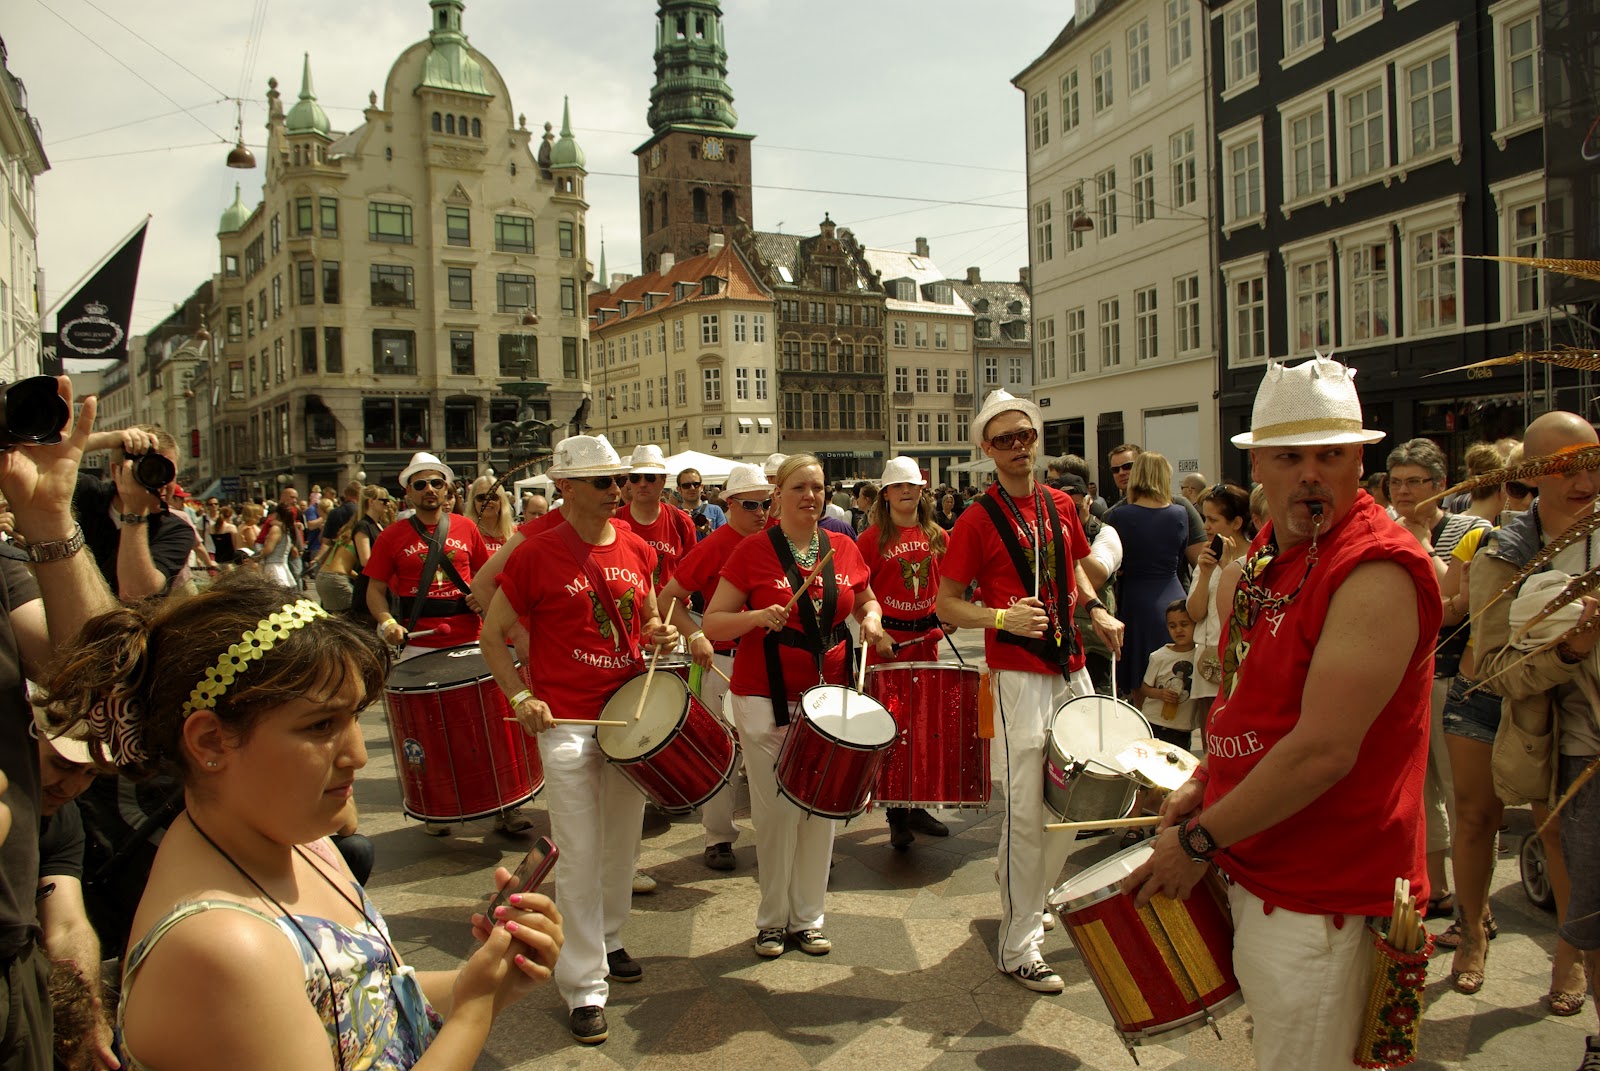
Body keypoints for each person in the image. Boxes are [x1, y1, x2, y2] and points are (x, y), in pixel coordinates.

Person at [43, 572, 564, 1070]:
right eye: (321, 725)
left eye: (356, 717)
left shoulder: (301, 841)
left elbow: (368, 1006)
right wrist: (472, 1012)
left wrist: (486, 984)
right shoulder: (223, 947)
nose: (359, 755)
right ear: (208, 741)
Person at [1126, 354, 1438, 1071]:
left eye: (1332, 456)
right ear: (1257, 464)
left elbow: (1324, 750)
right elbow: (1252, 700)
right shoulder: (1275, 550)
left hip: (1321, 886)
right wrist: (1206, 778)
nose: (1311, 474)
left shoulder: (1374, 569)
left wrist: (1198, 842)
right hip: (1263, 859)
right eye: (1290, 456)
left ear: (1361, 465)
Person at [479, 435, 677, 1045]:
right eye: (602, 482)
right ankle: (584, 986)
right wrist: (521, 696)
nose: (616, 492)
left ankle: (610, 936)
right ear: (565, 488)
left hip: (628, 717)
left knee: (622, 845)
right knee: (581, 851)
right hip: (566, 722)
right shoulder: (536, 552)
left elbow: (645, 618)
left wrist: (658, 637)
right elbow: (492, 634)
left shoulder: (638, 548)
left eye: (617, 481)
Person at [936, 390, 1123, 993]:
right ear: (986, 449)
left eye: (1026, 436)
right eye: (1004, 439)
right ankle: (1018, 945)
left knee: (1074, 804)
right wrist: (999, 619)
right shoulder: (974, 519)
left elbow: (1071, 570)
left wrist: (1095, 610)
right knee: (1025, 811)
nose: (1019, 447)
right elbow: (946, 604)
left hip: (1069, 664)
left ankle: (1026, 894)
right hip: (1016, 674)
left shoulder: (1060, 503)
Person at [703, 453, 886, 960]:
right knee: (777, 810)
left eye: (818, 487)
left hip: (828, 697)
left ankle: (808, 918)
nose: (811, 495)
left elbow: (866, 598)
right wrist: (758, 616)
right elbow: (714, 624)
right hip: (764, 695)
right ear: (777, 494)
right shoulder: (753, 552)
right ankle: (771, 920)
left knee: (820, 810)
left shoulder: (843, 548)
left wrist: (871, 618)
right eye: (800, 487)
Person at [1470, 411, 1599, 1052]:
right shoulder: (1503, 555)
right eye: (1566, 468)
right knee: (1582, 879)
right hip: (1569, 742)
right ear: (1532, 476)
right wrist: (1568, 651)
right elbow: (1490, 672)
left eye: (1593, 463)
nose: (1585, 479)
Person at [1387, 437, 1491, 920]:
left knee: (1463, 798)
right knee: (1417, 794)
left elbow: (1458, 611)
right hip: (1403, 678)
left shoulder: (1473, 530)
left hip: (1455, 679)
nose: (1404, 492)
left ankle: (1477, 909)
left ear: (1441, 486)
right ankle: (1437, 891)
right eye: (1397, 483)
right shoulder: (1383, 528)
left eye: (1415, 483)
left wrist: (1420, 549)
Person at [658, 463, 772, 871]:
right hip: (724, 659)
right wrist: (695, 636)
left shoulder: (779, 541)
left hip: (771, 664)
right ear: (730, 504)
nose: (762, 512)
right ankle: (718, 836)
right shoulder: (713, 545)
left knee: (773, 752)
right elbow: (668, 599)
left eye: (767, 503)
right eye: (752, 504)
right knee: (723, 752)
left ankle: (777, 835)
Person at [856, 456, 950, 849]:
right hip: (887, 645)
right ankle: (896, 813)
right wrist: (877, 635)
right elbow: (858, 596)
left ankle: (919, 804)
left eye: (912, 485)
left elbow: (950, 587)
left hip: (926, 642)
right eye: (899, 486)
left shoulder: (938, 536)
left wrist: (948, 614)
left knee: (925, 728)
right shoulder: (871, 539)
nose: (907, 491)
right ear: (886, 494)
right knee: (893, 730)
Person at [30, 708, 114, 1067]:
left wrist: (88, 1013)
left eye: (90, 773)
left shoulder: (64, 820)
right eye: (63, 765)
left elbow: (67, 925)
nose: (73, 787)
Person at [366, 454, 488, 658]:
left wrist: (482, 596)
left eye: (436, 483)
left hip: (471, 638)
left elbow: (486, 575)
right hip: (417, 642)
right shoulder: (390, 536)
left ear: (445, 488)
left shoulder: (467, 527)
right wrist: (387, 623)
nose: (429, 489)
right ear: (409, 492)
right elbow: (374, 589)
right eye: (420, 484)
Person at [1107, 452, 1204, 697]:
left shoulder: (1119, 516)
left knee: (1141, 678)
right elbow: (1187, 557)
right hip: (1173, 593)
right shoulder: (1180, 513)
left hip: (1137, 599)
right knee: (1174, 672)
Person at [74, 426, 195, 602]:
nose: (161, 482)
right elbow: (38, 463)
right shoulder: (87, 494)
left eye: (167, 472)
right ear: (117, 472)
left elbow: (135, 593)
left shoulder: (176, 529)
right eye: (151, 471)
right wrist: (106, 439)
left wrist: (135, 513)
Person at [1185, 483, 1254, 723]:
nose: (1206, 526)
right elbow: (1194, 613)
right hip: (1206, 660)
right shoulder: (1207, 558)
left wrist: (1228, 569)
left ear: (1236, 523)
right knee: (1209, 737)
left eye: (1213, 520)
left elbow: (1246, 612)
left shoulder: (1255, 560)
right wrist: (1204, 573)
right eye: (1205, 518)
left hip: (1240, 660)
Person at [1053, 458, 1123, 694]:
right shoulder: (1046, 534)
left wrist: (1067, 536)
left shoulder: (1105, 533)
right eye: (1063, 509)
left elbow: (1097, 576)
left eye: (1076, 509)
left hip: (1094, 645)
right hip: (1057, 641)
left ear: (1089, 501)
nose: (1070, 515)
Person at [615, 446, 697, 591]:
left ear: (664, 480)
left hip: (670, 610)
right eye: (635, 478)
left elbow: (692, 571)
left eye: (650, 477)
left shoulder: (681, 521)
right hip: (629, 611)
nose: (642, 484)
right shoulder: (614, 520)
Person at [1131, 600, 1200, 747]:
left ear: (1196, 624)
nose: (1178, 630)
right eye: (1172, 626)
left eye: (1184, 624)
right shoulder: (1159, 656)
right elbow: (1144, 688)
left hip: (1183, 727)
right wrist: (1160, 693)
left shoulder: (1200, 655)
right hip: (1155, 722)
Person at [467, 476, 513, 556]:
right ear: (473, 502)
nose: (487, 501)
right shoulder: (466, 534)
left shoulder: (515, 534)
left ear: (502, 501)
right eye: (481, 497)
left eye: (493, 497)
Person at [677, 468, 725, 542]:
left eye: (696, 484)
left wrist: (708, 531)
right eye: (686, 485)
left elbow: (725, 541)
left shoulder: (715, 511)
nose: (692, 488)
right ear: (679, 490)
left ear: (701, 487)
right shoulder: (674, 514)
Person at [257, 504, 297, 589]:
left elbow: (269, 549)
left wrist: (256, 557)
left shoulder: (276, 529)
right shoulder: (286, 528)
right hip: (283, 565)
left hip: (273, 566)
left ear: (277, 514)